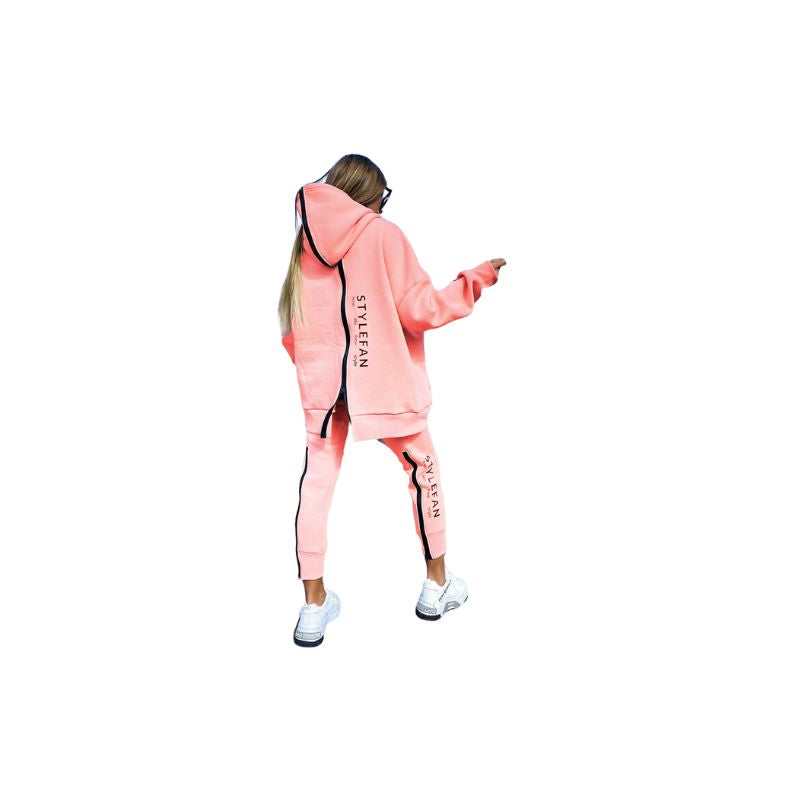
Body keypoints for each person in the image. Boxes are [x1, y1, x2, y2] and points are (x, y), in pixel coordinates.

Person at [278, 154, 505, 647]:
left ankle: (312, 606)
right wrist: (477, 278)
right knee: (423, 469)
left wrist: (317, 375)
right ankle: (436, 585)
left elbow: (294, 324)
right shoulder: (383, 234)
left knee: (315, 485)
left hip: (324, 390)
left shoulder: (306, 244)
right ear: (370, 193)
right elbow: (422, 309)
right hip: (382, 383)